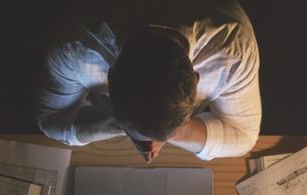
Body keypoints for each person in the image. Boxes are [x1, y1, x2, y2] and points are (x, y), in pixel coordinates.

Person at [35, 0, 261, 162]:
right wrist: (122, 126)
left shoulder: (234, 50)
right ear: (111, 76)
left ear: (195, 78)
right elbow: (49, 120)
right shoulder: (71, 47)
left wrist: (173, 131)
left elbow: (245, 136)